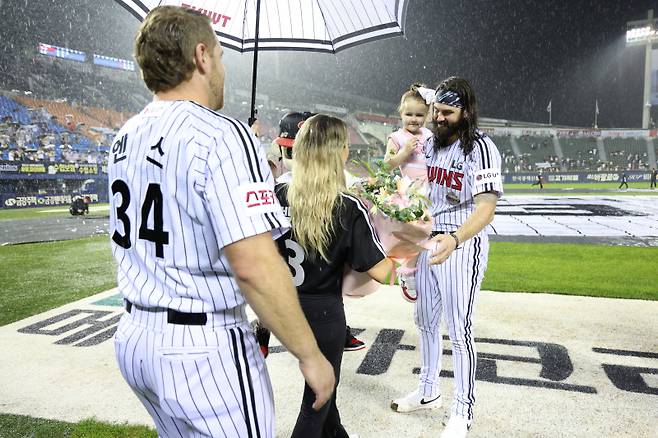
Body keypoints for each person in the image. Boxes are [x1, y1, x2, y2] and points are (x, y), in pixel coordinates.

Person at [108, 7, 334, 437]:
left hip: (135, 337)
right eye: (220, 54)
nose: (223, 68)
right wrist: (309, 355)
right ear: (201, 56)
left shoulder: (126, 135)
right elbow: (254, 265)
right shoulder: (223, 135)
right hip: (200, 347)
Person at [391, 77, 503, 438]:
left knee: (459, 328)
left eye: (446, 112)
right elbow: (428, 96)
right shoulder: (434, 143)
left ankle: (462, 410)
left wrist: (455, 239)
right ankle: (428, 391)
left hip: (461, 242)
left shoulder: (482, 148)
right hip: (429, 238)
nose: (437, 117)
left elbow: (486, 208)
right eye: (435, 111)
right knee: (424, 319)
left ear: (466, 111)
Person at [275, 114, 398, 438]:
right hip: (323, 313)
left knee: (325, 393)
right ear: (338, 152)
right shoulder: (346, 206)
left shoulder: (275, 195)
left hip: (281, 309)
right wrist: (404, 249)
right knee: (317, 399)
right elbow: (380, 271)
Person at [274, 111, 368, 352]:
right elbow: (377, 270)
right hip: (321, 303)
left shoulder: (276, 189)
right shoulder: (342, 197)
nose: (290, 157)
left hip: (285, 292)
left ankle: (264, 328)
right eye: (287, 152)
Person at [383, 83, 433, 303]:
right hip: (411, 194)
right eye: (409, 114)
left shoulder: (430, 134)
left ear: (427, 115)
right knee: (417, 236)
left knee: (431, 237)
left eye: (420, 115)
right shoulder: (397, 137)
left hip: (432, 192)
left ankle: (419, 272)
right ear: (401, 114)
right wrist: (404, 153)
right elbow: (386, 165)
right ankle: (407, 272)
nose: (414, 119)